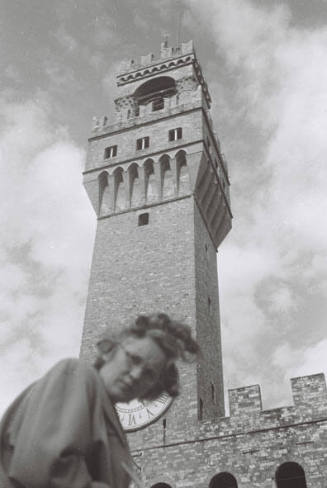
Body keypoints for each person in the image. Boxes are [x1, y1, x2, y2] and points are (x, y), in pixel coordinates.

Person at [0, 313, 199, 488]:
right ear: (111, 348)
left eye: (149, 374)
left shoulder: (107, 415)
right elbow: (44, 465)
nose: (136, 374)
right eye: (134, 359)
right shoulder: (77, 374)